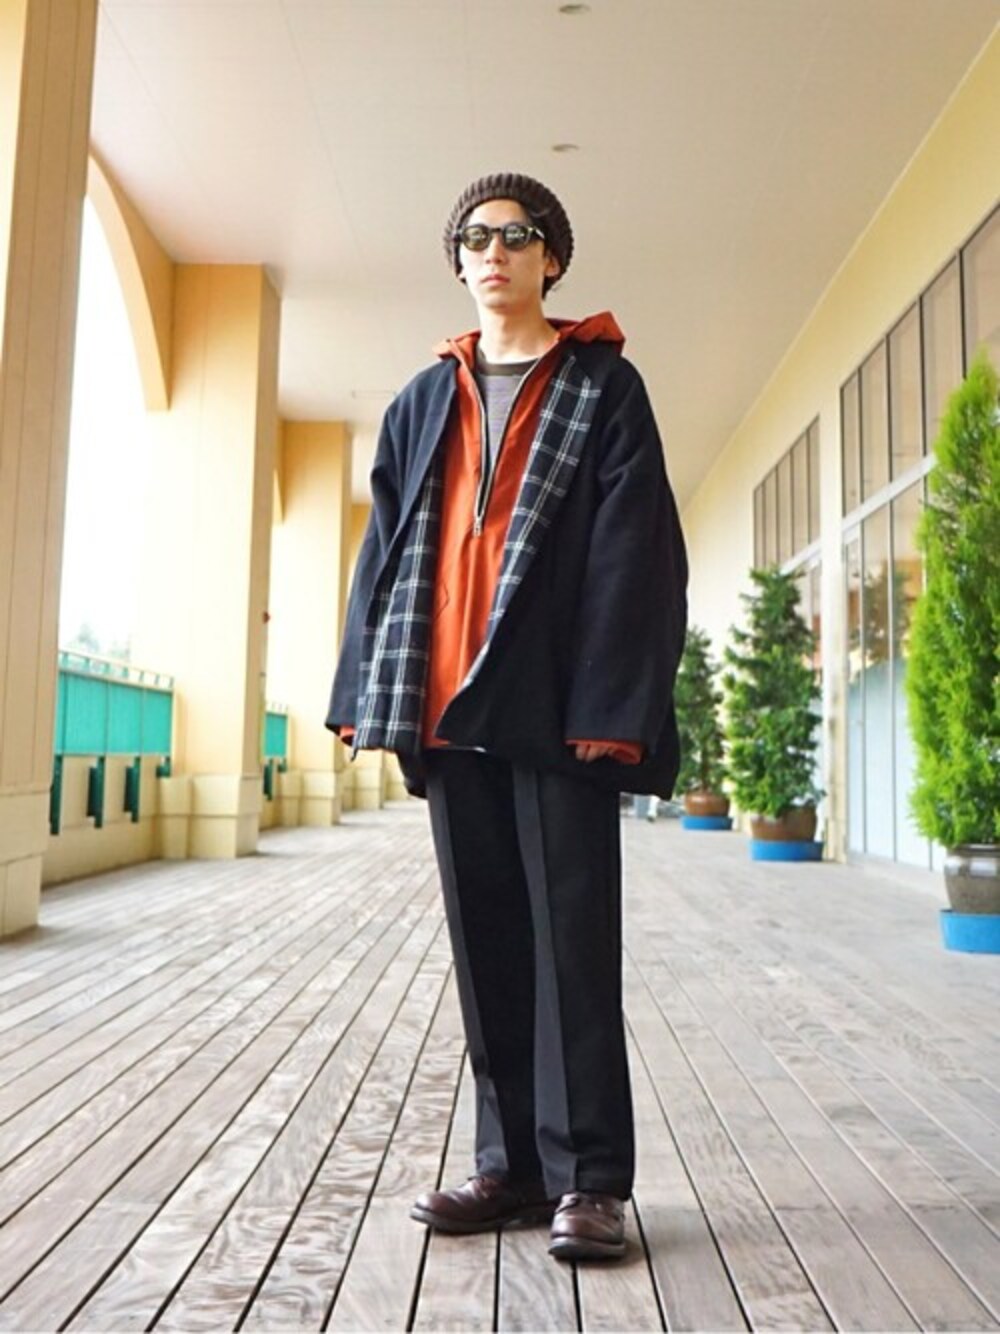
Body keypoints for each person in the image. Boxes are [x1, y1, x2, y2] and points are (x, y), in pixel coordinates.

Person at [327, 173, 687, 1262]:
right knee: (487, 943)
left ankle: (590, 1179)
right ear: (459, 261)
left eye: (516, 235)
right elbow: (384, 551)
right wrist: (362, 691)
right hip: (447, 700)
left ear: (550, 259)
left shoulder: (603, 386)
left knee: (571, 943)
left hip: (554, 702)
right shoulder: (420, 400)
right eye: (475, 237)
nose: (494, 251)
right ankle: (514, 1168)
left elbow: (636, 552)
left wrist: (613, 704)